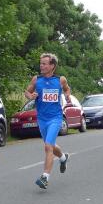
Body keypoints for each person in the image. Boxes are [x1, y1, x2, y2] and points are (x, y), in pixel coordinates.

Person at [24, 53, 71, 189]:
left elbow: (67, 89)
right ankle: (63, 158)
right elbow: (27, 92)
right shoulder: (36, 79)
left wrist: (67, 96)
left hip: (55, 118)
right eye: (41, 63)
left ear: (52, 66)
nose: (41, 66)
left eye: (44, 64)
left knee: (48, 146)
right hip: (42, 119)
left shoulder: (60, 80)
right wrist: (30, 96)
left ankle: (45, 177)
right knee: (50, 145)